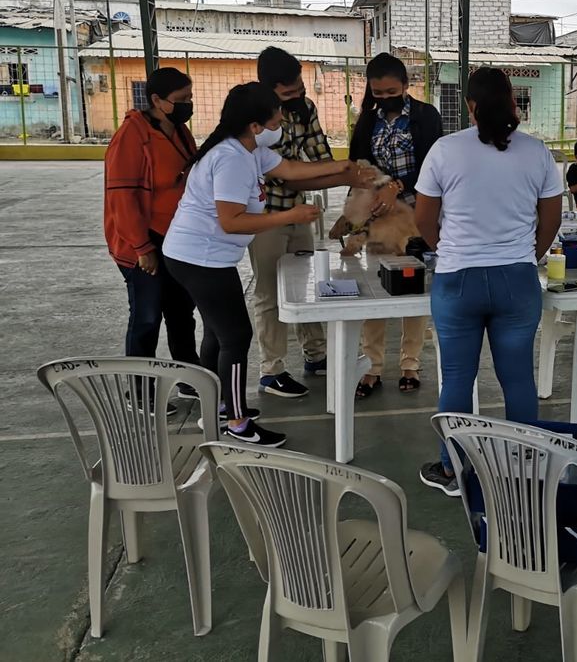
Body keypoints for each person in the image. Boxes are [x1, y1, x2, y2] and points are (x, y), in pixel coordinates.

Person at [163, 82, 363, 447]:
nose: (279, 126)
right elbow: (231, 221)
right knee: (236, 336)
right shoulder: (232, 160)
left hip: (198, 256)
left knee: (218, 334)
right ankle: (237, 423)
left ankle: (220, 405)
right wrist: (290, 215)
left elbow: (291, 170)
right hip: (200, 258)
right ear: (255, 125)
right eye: (275, 121)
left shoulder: (249, 149)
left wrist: (344, 170)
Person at [413, 67, 563, 495]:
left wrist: (449, 250)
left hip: (457, 282)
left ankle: (453, 470)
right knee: (517, 377)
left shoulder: (445, 150)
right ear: (513, 102)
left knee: (458, 377)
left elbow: (423, 219)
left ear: (470, 105)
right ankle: (527, 467)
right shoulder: (537, 152)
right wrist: (526, 255)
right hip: (516, 280)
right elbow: (551, 219)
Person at [248, 46, 363, 400]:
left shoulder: (306, 108)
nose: (297, 95)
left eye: (299, 88)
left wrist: (344, 172)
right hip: (264, 217)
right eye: (288, 93)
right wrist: (346, 176)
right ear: (268, 90)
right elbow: (287, 175)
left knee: (306, 285)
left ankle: (316, 355)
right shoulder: (255, 120)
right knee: (270, 292)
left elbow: (320, 156)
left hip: (298, 212)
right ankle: (272, 370)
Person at [342, 53, 443, 397]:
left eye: (391, 91)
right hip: (379, 219)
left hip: (417, 216)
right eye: (378, 92)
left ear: (405, 85)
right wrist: (360, 211)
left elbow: (433, 165)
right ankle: (372, 366)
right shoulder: (368, 121)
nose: (385, 98)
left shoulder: (426, 116)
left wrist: (397, 185)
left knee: (413, 290)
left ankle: (409, 364)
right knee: (377, 289)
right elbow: (357, 165)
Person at [104, 67, 200, 414]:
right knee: (146, 316)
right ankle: (139, 391)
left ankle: (189, 378)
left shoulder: (179, 131)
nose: (188, 104)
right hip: (143, 242)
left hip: (175, 238)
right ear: (157, 100)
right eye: (181, 99)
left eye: (190, 97)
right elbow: (122, 196)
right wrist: (142, 248)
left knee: (181, 312)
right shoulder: (132, 136)